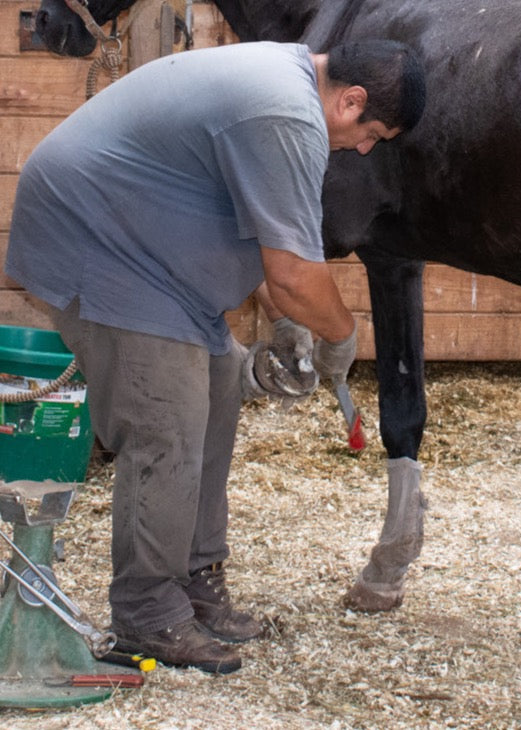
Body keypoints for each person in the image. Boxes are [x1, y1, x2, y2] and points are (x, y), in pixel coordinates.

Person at [3, 39, 426, 674]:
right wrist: (339, 337)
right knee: (166, 423)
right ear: (352, 100)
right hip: (101, 240)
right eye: (371, 134)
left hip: (152, 250)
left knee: (222, 383)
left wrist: (284, 322)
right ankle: (147, 612)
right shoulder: (287, 116)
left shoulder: (288, 85)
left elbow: (258, 232)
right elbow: (291, 271)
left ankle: (195, 579)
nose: (364, 149)